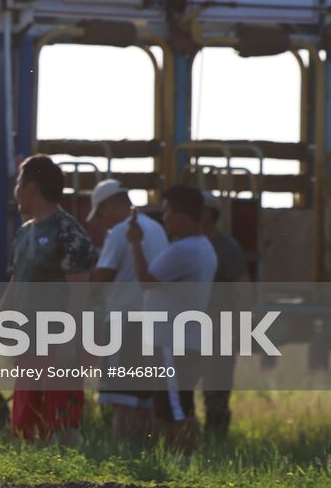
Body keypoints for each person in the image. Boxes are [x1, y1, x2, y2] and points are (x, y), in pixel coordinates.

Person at [6, 156, 96, 447]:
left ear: (31, 188)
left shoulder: (69, 233)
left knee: (60, 422)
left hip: (58, 342)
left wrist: (68, 340)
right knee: (24, 421)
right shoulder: (23, 233)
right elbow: (14, 284)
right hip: (27, 340)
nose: (15, 190)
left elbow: (79, 292)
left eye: (18, 183)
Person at [127, 185, 217, 461]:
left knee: (177, 408)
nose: (164, 219)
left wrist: (135, 243)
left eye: (167, 212)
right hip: (182, 339)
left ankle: (184, 463)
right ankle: (174, 461)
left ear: (181, 215)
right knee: (170, 406)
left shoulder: (183, 250)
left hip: (172, 341)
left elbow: (146, 280)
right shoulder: (203, 248)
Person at [88, 178, 169, 438]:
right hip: (155, 322)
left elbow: (102, 277)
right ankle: (148, 453)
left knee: (121, 399)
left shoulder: (120, 232)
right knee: (146, 401)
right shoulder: (156, 228)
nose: (101, 222)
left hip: (125, 323)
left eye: (100, 215)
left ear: (110, 206)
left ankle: (119, 456)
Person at [193, 191, 251, 438]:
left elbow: (242, 290)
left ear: (208, 214)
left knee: (216, 394)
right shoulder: (187, 243)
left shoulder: (226, 248)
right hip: (189, 329)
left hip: (218, 330)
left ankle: (215, 442)